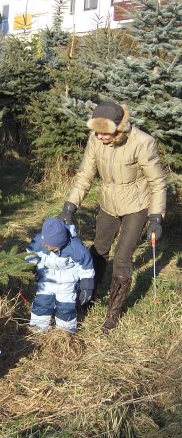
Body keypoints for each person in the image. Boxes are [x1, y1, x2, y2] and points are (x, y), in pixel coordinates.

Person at [59, 101, 166, 333]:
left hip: (135, 206)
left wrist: (156, 217)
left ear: (118, 128)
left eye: (104, 132)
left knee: (122, 258)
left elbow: (157, 182)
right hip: (108, 202)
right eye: (96, 132)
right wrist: (70, 205)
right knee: (97, 250)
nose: (99, 137)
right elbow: (85, 174)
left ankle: (113, 312)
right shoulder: (95, 140)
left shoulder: (142, 142)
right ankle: (88, 294)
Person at [25, 217, 95, 333]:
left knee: (65, 307)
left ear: (62, 243)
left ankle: (65, 332)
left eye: (52, 247)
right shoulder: (39, 242)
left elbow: (86, 267)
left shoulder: (75, 248)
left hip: (67, 282)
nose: (48, 248)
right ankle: (38, 329)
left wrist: (87, 287)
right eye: (46, 245)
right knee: (42, 303)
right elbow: (31, 256)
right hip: (47, 278)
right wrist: (28, 269)